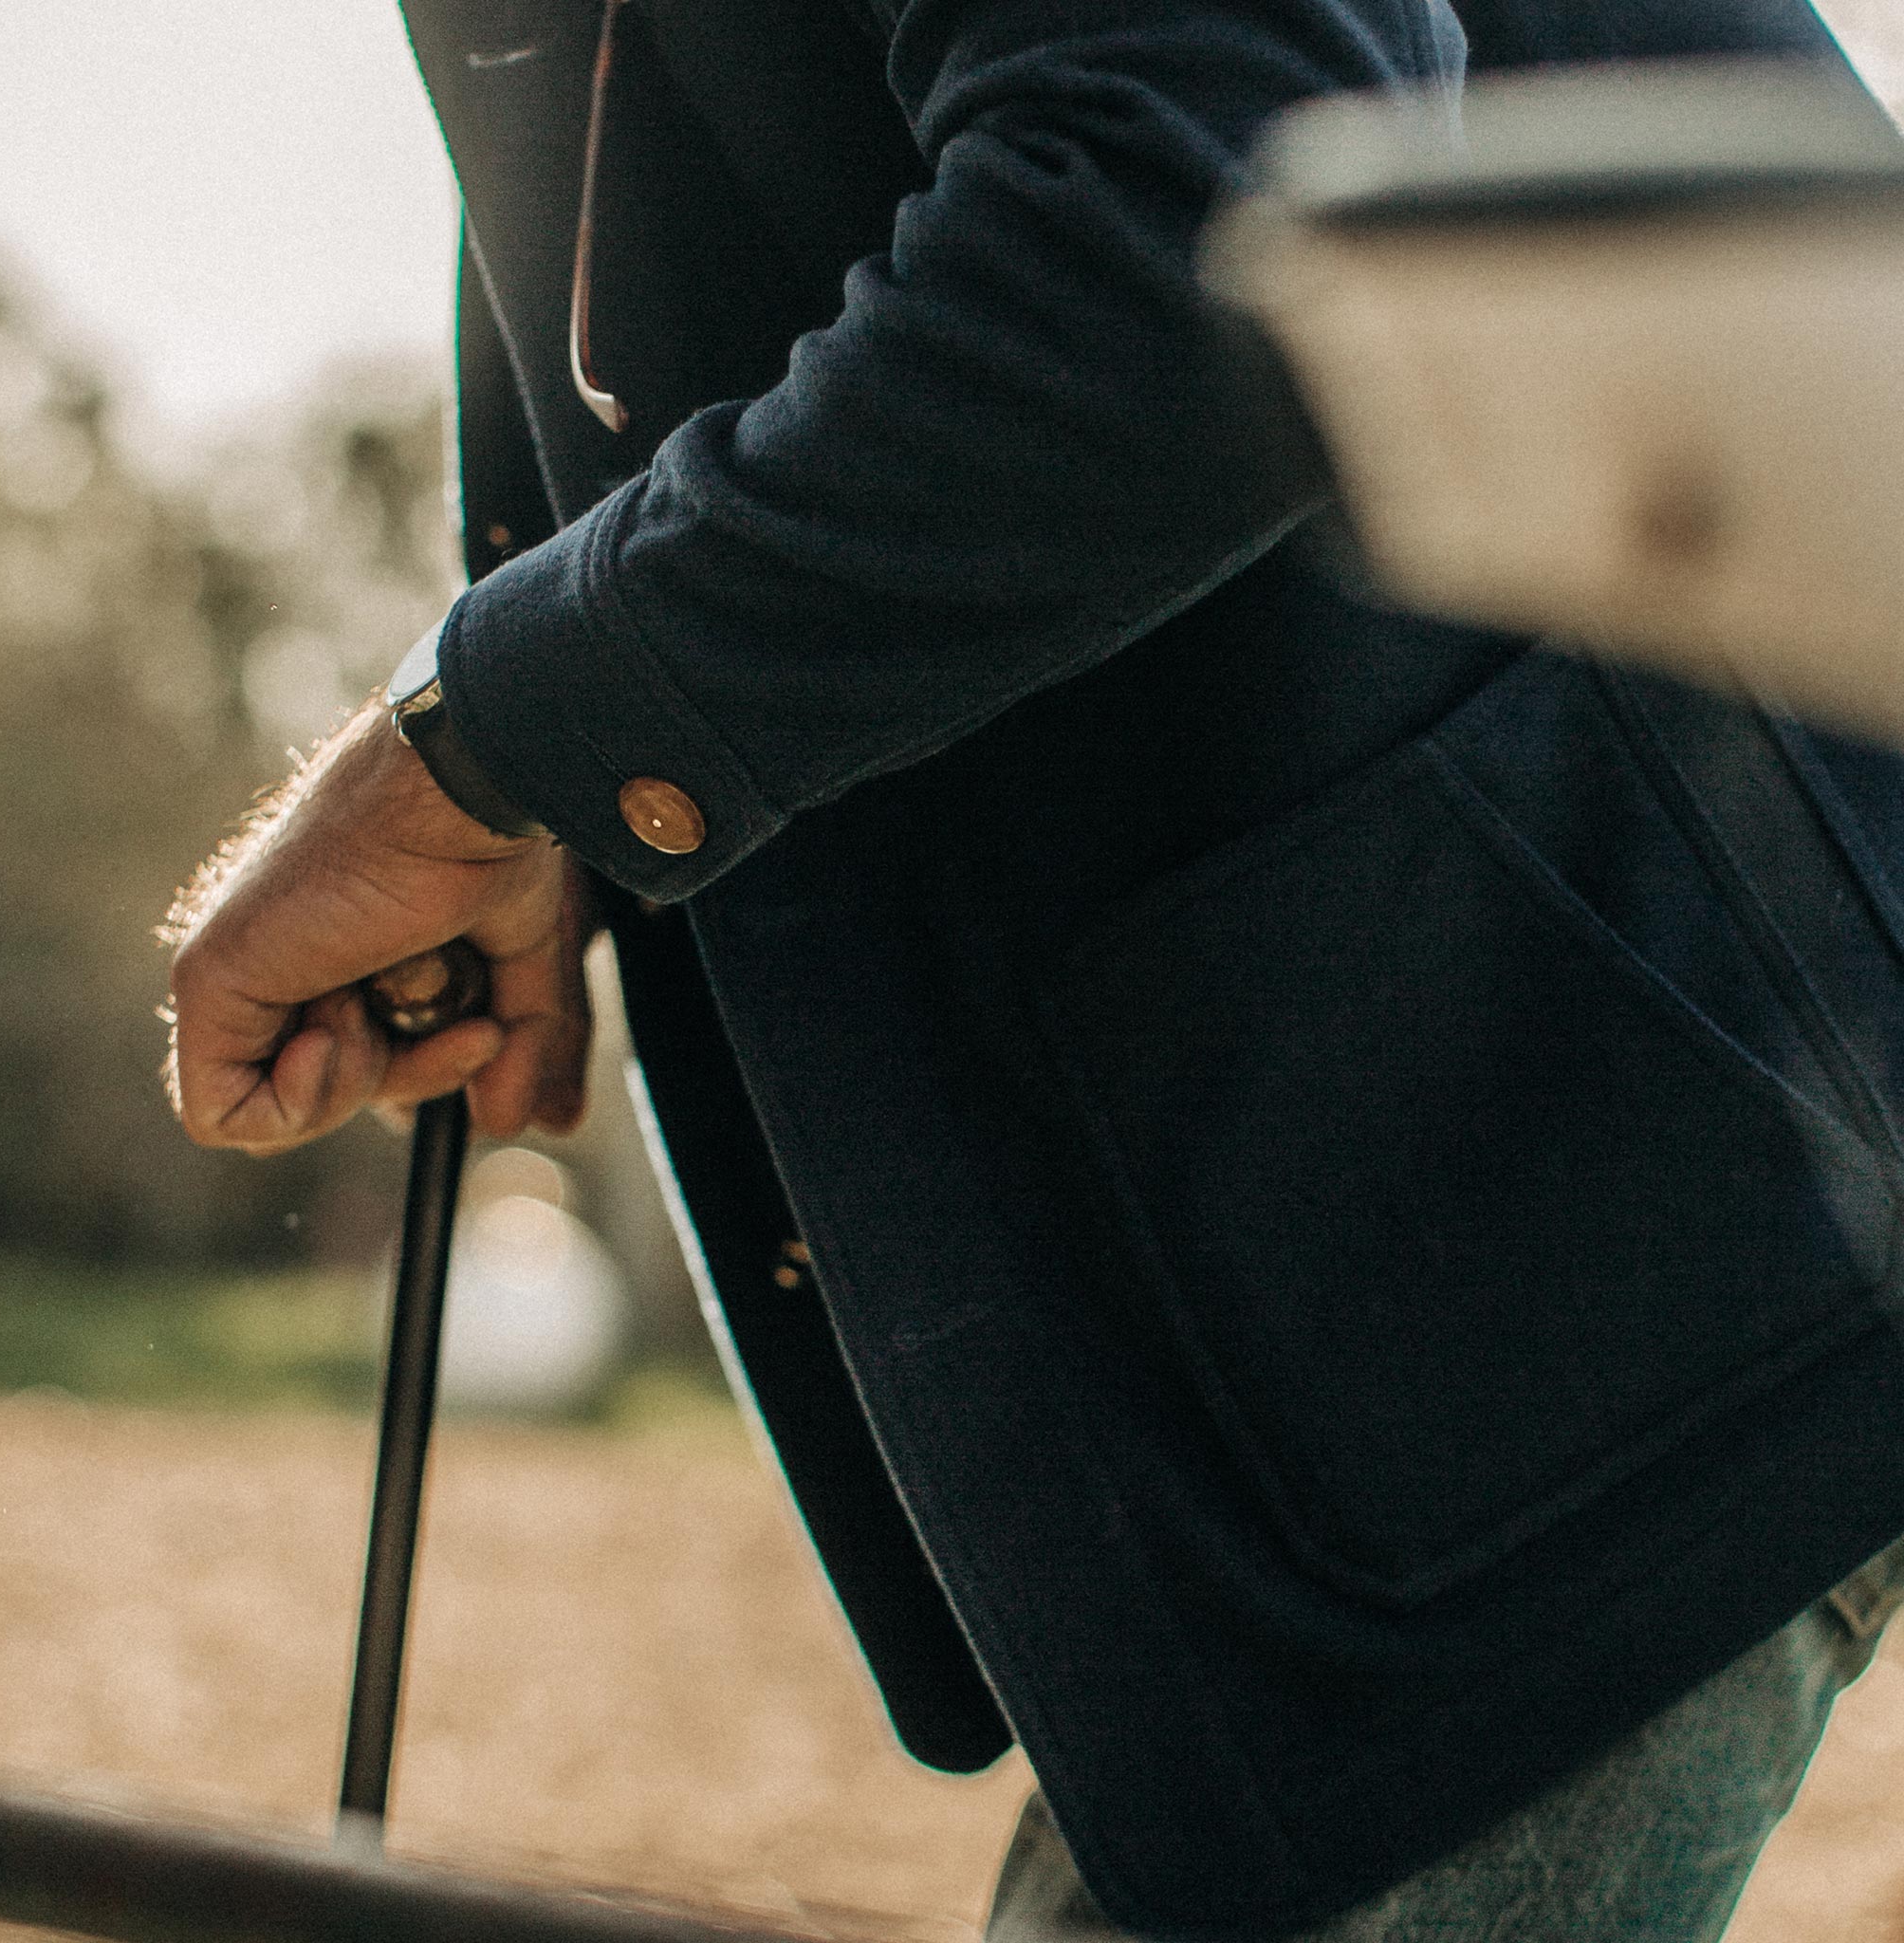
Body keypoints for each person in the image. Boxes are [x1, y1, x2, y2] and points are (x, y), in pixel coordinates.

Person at [162, 0, 1904, 1934]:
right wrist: (550, 796)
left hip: (1606, 1176)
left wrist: (495, 743)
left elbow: (1204, 204)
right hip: (1482, 1209)